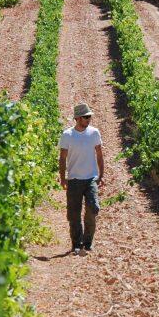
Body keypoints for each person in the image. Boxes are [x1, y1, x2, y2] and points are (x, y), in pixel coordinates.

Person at [59, 103, 104, 256]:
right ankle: (77, 245)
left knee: (93, 208)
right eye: (86, 117)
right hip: (74, 179)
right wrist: (62, 178)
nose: (89, 119)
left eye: (89, 116)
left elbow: (99, 154)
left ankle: (88, 243)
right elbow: (62, 158)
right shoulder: (67, 135)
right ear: (77, 118)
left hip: (90, 178)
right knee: (74, 213)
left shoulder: (94, 133)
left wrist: (101, 175)